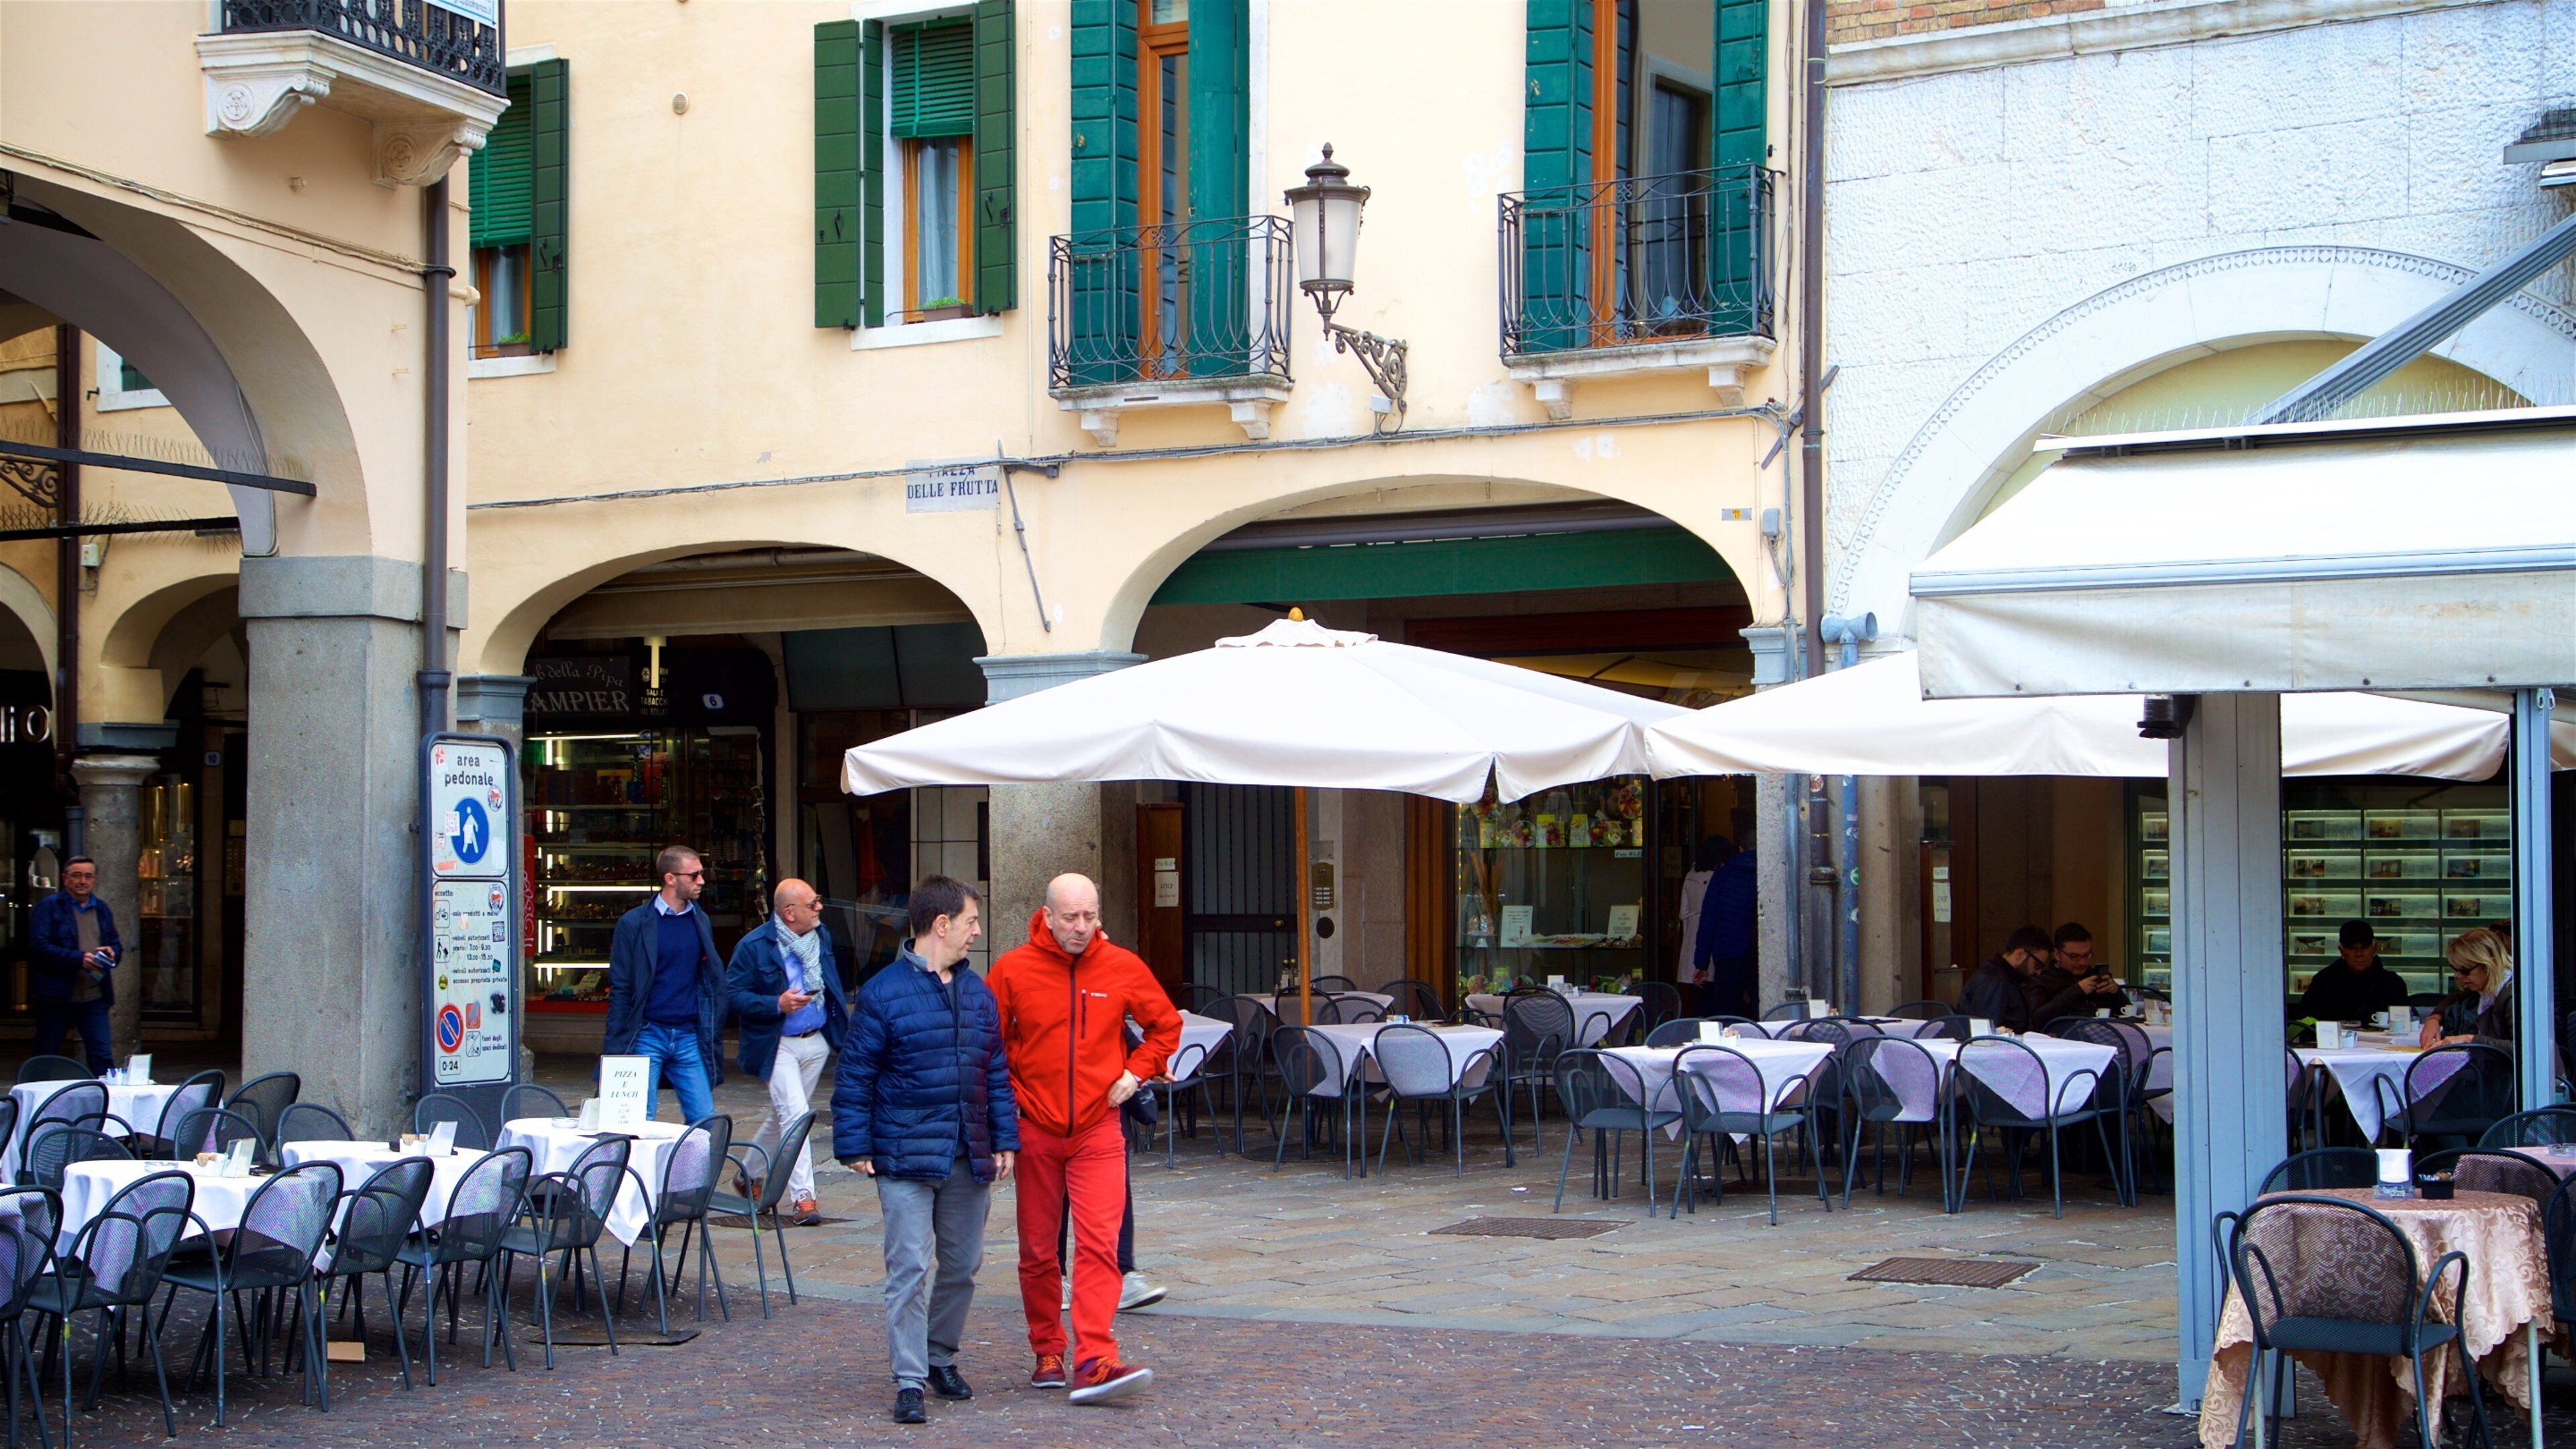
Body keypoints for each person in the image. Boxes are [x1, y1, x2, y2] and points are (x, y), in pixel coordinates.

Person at [832, 875, 1017, 1426]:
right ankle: (910, 1378)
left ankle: (940, 1356)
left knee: (962, 1265)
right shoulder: (883, 993)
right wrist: (855, 1144)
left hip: (966, 1150)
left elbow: (996, 1072)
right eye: (970, 922)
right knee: (909, 1268)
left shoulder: (976, 990)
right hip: (904, 1155)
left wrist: (1005, 1137)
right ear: (941, 925)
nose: (976, 932)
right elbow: (855, 1076)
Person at [988, 873, 1179, 1405]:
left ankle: (1096, 1357)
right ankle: (1048, 1348)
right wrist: (1012, 1101)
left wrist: (1136, 1072)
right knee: (1038, 1249)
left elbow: (1165, 1027)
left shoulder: (1121, 965)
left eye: (1089, 916)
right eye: (1070, 917)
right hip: (1036, 1129)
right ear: (1046, 916)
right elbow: (985, 1044)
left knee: (1099, 1245)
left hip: (1099, 1126)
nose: (1080, 927)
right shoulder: (1012, 970)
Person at [727, 878, 848, 1227]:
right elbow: (732, 995)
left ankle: (746, 1173)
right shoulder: (754, 946)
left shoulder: (820, 936)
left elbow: (833, 982)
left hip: (816, 1039)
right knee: (796, 1115)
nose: (819, 908)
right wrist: (774, 1003)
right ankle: (803, 1199)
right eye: (812, 904)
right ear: (788, 912)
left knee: (783, 1116)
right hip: (777, 1042)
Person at [602, 845, 727, 1124]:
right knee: (637, 1118)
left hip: (688, 1034)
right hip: (647, 1032)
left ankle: (687, 1169)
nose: (701, 882)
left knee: (704, 1118)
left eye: (701, 874)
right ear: (671, 878)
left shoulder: (700, 919)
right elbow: (621, 987)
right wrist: (615, 1046)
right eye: (694, 876)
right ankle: (636, 1169)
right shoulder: (634, 923)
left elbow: (708, 979)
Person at [30, 856, 119, 1073]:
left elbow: (115, 943)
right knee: (45, 1055)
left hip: (93, 996)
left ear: (95, 880)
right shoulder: (50, 907)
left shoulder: (102, 909)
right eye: (76, 875)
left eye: (88, 876)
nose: (82, 881)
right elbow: (38, 945)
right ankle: (33, 1103)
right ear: (65, 878)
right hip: (56, 996)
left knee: (102, 1055)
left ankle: (106, 1103)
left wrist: (112, 952)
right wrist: (78, 958)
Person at [1687, 837, 1758, 1018]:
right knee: (1764, 1013)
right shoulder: (1771, 873)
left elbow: (1708, 921)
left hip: (1729, 953)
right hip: (1762, 953)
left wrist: (1701, 964)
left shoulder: (1723, 875)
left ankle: (1728, 1046)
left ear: (1740, 848)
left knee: (1727, 1014)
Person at [2296, 921, 2411, 1024]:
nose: (2359, 953)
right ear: (2342, 951)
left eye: (2364, 947)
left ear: (2374, 949)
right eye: (2352, 948)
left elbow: (2403, 1025)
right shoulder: (2324, 981)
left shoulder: (2393, 984)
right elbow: (2305, 1020)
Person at [2422, 926, 2516, 1049]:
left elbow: (2523, 1051)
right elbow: (2456, 997)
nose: (2458, 976)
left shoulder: (2513, 995)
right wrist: (2434, 1018)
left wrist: (2470, 1039)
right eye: (2455, 970)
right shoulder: (2485, 987)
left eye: (2465, 971)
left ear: (2488, 966)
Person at [2025, 922, 2127, 1029]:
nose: (2082, 962)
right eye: (2074, 956)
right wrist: (2076, 991)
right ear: (2057, 955)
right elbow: (2036, 1019)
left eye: (2087, 955)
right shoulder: (2043, 980)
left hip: (2104, 1035)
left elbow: (2128, 1013)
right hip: (2064, 1039)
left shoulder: (2095, 976)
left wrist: (2116, 992)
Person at [1957, 924, 2055, 1032]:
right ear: (2020, 954)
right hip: (2002, 1046)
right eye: (2037, 965)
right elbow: (1986, 1035)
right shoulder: (1995, 981)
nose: (2039, 972)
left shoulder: (2003, 976)